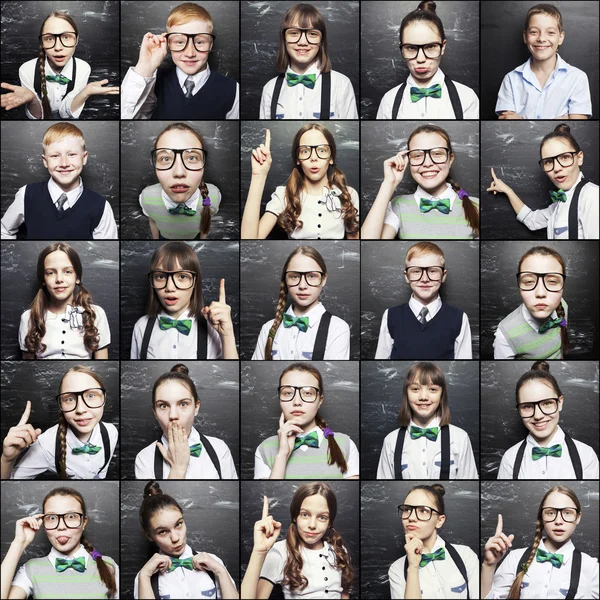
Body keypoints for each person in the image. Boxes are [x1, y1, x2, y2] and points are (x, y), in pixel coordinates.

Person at [1, 123, 118, 240]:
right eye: (55, 156)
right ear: (45, 161)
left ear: (84, 158)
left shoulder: (100, 206)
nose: (64, 163)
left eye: (72, 154)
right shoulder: (26, 195)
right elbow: (4, 231)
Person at [0, 486, 119, 598]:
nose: (61, 526)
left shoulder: (108, 565)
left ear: (84, 522)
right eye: (52, 518)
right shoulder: (31, 569)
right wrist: (19, 543)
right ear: (43, 523)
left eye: (71, 516)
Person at [481, 485, 599, 598]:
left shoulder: (591, 568)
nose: (558, 521)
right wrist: (488, 565)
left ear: (578, 517)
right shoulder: (515, 558)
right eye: (551, 513)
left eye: (567, 513)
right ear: (541, 517)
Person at [241, 484, 354, 598]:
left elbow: (344, 595)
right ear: (295, 516)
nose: (312, 525)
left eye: (322, 517)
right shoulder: (281, 552)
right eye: (305, 514)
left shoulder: (339, 551)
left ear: (329, 522)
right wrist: (259, 552)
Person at [0, 11, 118, 119]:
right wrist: (32, 100)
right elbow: (37, 117)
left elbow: (65, 113)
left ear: (76, 39)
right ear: (41, 43)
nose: (58, 48)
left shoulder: (83, 68)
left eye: (66, 37)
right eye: (49, 39)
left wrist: (84, 93)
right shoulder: (27, 69)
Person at [259, 3, 358, 120]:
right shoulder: (269, 89)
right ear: (284, 39)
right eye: (294, 33)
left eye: (312, 34)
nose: (302, 42)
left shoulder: (341, 85)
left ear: (321, 41)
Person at [19, 242, 111, 359]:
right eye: (50, 273)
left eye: (67, 271)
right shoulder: (28, 318)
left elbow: (102, 359)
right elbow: (28, 367)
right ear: (43, 279)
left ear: (77, 277)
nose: (59, 279)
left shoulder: (96, 314)